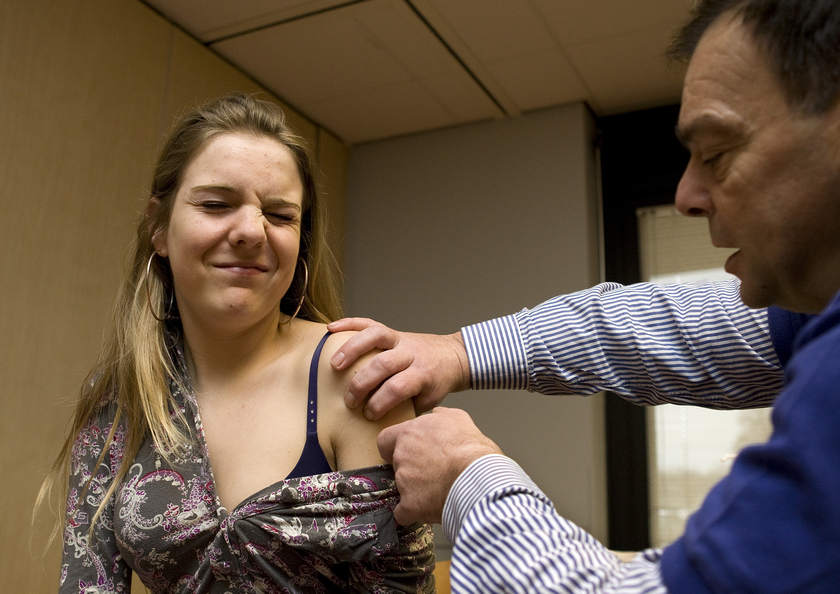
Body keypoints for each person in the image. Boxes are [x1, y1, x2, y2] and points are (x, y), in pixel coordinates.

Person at [328, 0, 840, 591]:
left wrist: (466, 475)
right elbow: (666, 330)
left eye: (717, 153)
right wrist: (460, 351)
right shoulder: (813, 315)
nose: (686, 195)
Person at [39, 94, 435, 592]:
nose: (251, 230)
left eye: (280, 214)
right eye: (216, 204)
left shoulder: (351, 370)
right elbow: (87, 582)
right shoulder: (118, 395)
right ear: (159, 227)